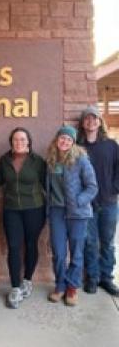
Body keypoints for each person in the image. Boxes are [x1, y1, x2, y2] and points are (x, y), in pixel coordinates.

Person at [46, 125, 97, 306]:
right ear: (57, 139)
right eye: (62, 137)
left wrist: (78, 201)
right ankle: (60, 285)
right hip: (56, 211)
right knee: (59, 252)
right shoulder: (51, 160)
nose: (65, 141)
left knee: (76, 253)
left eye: (69, 139)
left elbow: (92, 187)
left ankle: (72, 287)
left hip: (78, 214)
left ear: (73, 142)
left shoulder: (81, 159)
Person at [0, 127, 46, 309]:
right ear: (11, 142)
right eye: (16, 140)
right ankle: (15, 287)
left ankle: (28, 280)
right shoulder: (4, 160)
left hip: (35, 209)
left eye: (23, 139)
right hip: (12, 210)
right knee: (14, 247)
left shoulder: (38, 161)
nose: (19, 142)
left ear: (29, 142)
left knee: (32, 244)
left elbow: (47, 183)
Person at [78, 105, 119, 296]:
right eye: (87, 118)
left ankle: (106, 278)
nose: (91, 121)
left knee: (108, 242)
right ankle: (92, 278)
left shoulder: (111, 145)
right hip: (87, 205)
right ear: (83, 123)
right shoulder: (78, 147)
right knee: (90, 242)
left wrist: (114, 189)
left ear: (99, 122)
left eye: (94, 118)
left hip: (109, 203)